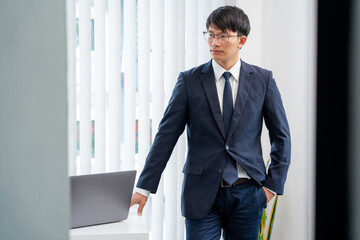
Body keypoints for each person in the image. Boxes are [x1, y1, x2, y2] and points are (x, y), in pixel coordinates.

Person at [130, 5, 291, 240]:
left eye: (222, 36)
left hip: (248, 194)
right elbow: (165, 137)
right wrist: (144, 188)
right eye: (210, 34)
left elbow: (281, 137)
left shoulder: (263, 80)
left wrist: (271, 187)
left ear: (241, 40)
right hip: (201, 194)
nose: (214, 42)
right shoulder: (189, 81)